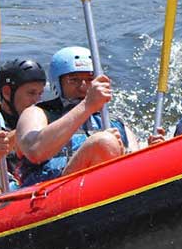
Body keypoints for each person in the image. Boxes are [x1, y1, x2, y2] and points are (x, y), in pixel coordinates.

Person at [15, 46, 128, 186]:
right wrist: (87, 106)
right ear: (58, 83)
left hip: (103, 190)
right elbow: (35, 151)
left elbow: (136, 166)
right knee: (103, 142)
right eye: (73, 80)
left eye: (89, 79)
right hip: (52, 192)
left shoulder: (113, 121)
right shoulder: (37, 113)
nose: (83, 87)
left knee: (106, 142)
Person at [0, 58, 46, 128]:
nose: (38, 101)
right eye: (31, 93)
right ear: (7, 93)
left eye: (40, 94)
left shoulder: (44, 119)